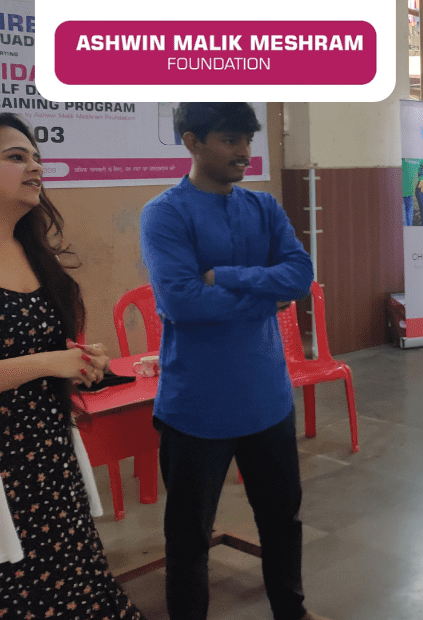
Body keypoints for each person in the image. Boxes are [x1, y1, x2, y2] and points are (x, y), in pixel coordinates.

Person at [140, 103, 327, 620]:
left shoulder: (263, 207)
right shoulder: (165, 214)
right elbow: (182, 303)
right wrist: (269, 296)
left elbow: (299, 276)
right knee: (188, 538)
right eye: (229, 140)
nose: (244, 151)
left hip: (268, 400)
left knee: (282, 522)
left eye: (248, 139)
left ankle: (292, 612)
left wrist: (225, 276)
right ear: (192, 142)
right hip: (195, 408)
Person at [0, 112, 144, 618]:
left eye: (36, 157)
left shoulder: (31, 249)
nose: (35, 167)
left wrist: (81, 360)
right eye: (16, 157)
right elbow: (37, 359)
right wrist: (52, 362)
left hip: (49, 453)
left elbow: (37, 346)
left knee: (75, 580)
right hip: (7, 466)